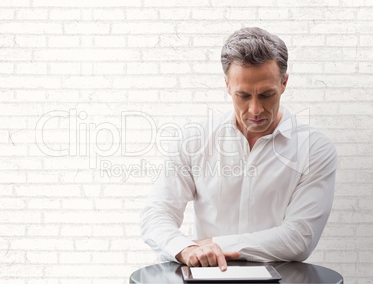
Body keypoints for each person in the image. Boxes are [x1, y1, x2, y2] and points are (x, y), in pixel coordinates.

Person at [141, 27, 337, 271]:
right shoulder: (194, 141)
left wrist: (213, 245)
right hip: (206, 277)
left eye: (266, 95)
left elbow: (299, 237)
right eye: (243, 96)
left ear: (284, 83)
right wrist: (186, 249)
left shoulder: (315, 149)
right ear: (227, 86)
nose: (255, 110)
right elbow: (157, 214)